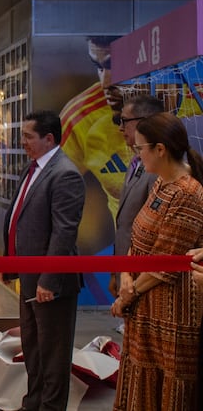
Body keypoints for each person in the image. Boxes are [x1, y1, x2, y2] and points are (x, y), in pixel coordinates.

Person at [111, 112, 203, 410]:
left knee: (167, 392)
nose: (136, 154)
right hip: (146, 309)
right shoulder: (161, 184)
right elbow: (138, 238)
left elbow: (166, 262)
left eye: (140, 148)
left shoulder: (187, 194)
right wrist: (126, 277)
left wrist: (129, 293)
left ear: (160, 149)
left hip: (172, 314)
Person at [3, 110, 85, 411]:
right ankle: (32, 404)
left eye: (28, 136)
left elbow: (64, 233)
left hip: (51, 284)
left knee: (53, 355)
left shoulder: (65, 174)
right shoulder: (33, 168)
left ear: (49, 139)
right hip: (29, 278)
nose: (22, 142)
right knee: (34, 350)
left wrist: (48, 280)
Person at [59, 36, 132, 256]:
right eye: (99, 67)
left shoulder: (191, 93)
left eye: (114, 65)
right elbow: (54, 195)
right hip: (125, 255)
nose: (105, 82)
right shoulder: (80, 117)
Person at [108, 95, 164, 298]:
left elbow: (155, 233)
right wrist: (117, 271)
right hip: (127, 275)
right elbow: (125, 224)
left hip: (143, 280)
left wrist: (135, 282)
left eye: (124, 121)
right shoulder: (136, 162)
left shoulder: (159, 168)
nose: (120, 128)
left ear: (144, 122)